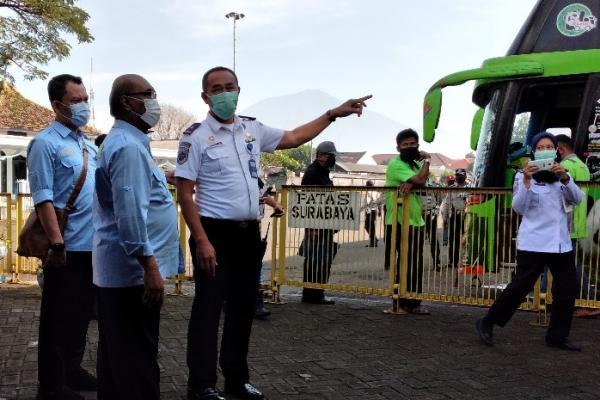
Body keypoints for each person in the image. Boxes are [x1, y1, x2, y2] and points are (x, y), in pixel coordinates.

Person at [175, 66, 370, 400]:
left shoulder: (252, 128)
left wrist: (332, 115)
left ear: (239, 89)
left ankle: (236, 380)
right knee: (207, 310)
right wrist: (202, 240)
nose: (225, 93)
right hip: (214, 234)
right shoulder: (194, 136)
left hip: (247, 235)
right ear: (205, 97)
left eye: (230, 86)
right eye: (217, 89)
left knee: (242, 309)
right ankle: (201, 385)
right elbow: (184, 192)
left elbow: (294, 137)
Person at [93, 74, 181, 399]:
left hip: (123, 273)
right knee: (136, 364)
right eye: (148, 94)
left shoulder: (130, 144)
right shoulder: (128, 148)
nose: (155, 100)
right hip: (132, 276)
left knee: (118, 358)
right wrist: (151, 268)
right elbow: (130, 218)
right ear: (127, 103)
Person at [476, 132, 583, 351]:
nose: (545, 150)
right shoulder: (522, 176)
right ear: (534, 151)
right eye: (541, 147)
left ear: (556, 150)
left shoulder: (562, 174)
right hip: (534, 242)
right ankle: (488, 321)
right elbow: (519, 208)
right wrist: (526, 180)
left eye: (549, 146)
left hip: (560, 242)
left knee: (567, 289)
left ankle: (557, 336)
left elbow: (577, 199)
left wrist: (565, 178)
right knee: (519, 287)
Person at [27, 74, 97, 400]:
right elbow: (42, 198)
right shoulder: (45, 143)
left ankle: (73, 369)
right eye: (77, 100)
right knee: (57, 318)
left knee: (81, 314)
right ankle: (52, 386)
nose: (85, 105)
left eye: (86, 98)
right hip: (65, 248)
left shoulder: (85, 143)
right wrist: (56, 243)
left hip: (92, 247)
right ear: (58, 105)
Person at [384, 129, 431, 315]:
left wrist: (413, 182)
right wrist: (426, 162)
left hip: (415, 221)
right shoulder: (396, 165)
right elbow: (421, 179)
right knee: (406, 263)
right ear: (398, 147)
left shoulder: (412, 165)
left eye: (413, 144)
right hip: (399, 220)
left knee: (414, 262)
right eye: (406, 144)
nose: (410, 147)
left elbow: (422, 183)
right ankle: (407, 302)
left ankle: (408, 301)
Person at [556, 134, 600, 317]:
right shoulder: (582, 166)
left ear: (560, 149)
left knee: (571, 265)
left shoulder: (565, 167)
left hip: (567, 224)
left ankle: (588, 302)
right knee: (569, 264)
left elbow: (562, 196)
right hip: (580, 222)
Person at [300, 141, 340, 304]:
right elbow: (306, 201)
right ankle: (312, 295)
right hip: (316, 226)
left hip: (324, 225)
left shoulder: (323, 172)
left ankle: (316, 293)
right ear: (322, 156)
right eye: (331, 156)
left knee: (322, 260)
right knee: (315, 260)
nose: (333, 159)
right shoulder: (312, 172)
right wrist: (311, 228)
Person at [254, 179, 284, 319]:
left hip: (253, 224)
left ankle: (255, 302)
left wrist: (276, 205)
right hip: (231, 223)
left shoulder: (254, 171)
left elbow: (265, 193)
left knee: (254, 265)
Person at [441, 169, 469, 271]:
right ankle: (452, 261)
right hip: (455, 215)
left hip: (467, 215)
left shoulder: (471, 187)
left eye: (460, 175)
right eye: (457, 175)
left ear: (465, 177)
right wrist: (445, 218)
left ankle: (466, 261)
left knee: (467, 239)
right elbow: (446, 203)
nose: (458, 177)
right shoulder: (452, 189)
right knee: (453, 240)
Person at [421, 180, 441, 270]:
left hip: (431, 215)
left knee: (433, 239)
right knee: (418, 239)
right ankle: (417, 262)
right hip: (418, 215)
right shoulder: (415, 184)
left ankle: (437, 262)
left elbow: (438, 202)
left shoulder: (433, 186)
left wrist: (435, 212)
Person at [362, 180, 382, 247]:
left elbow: (368, 203)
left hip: (370, 211)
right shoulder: (375, 192)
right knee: (370, 227)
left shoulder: (369, 192)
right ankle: (374, 240)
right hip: (373, 211)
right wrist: (379, 210)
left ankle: (374, 242)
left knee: (368, 227)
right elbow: (379, 202)